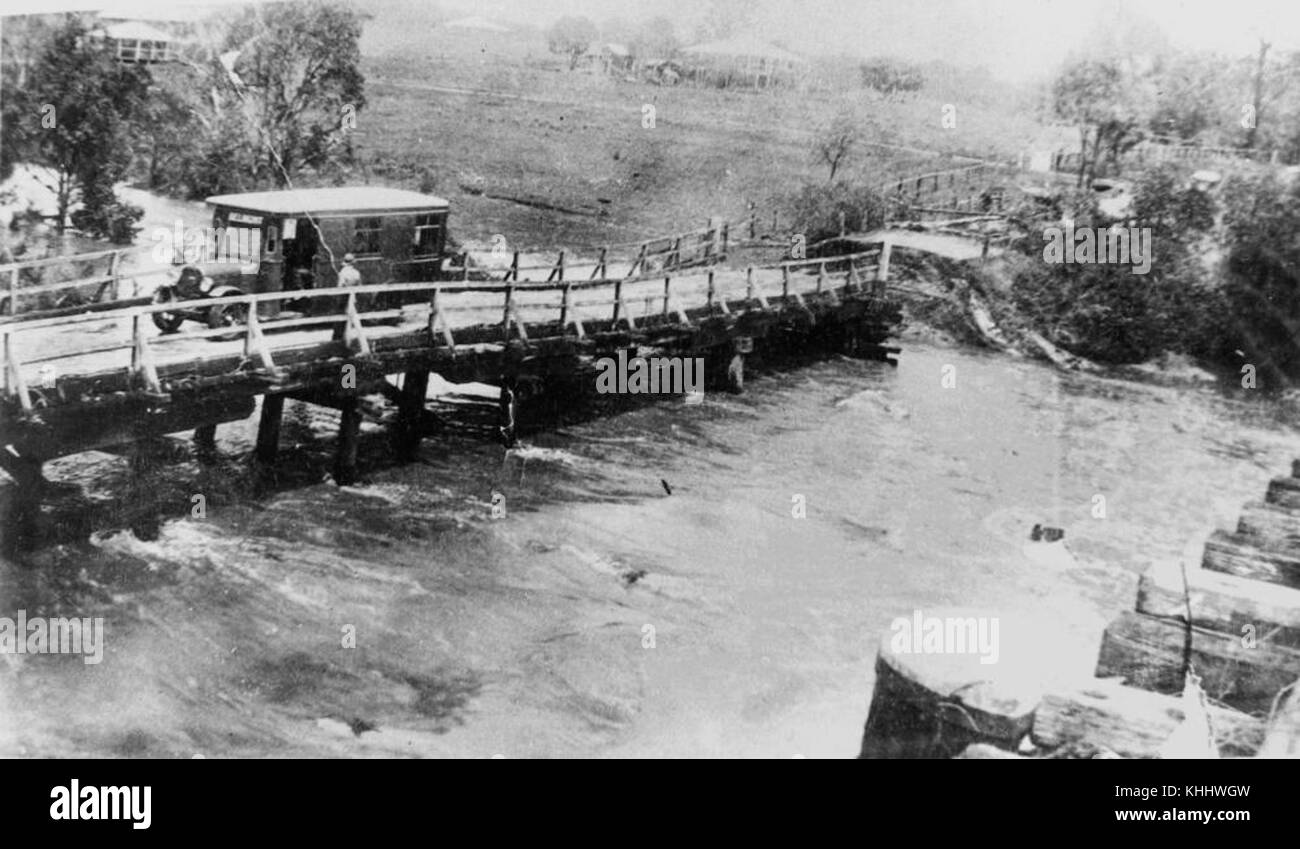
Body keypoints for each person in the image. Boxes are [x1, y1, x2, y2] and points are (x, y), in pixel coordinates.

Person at [331, 253, 362, 340]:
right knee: (352, 318)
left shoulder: (343, 273)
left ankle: (337, 338)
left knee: (340, 317)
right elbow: (360, 286)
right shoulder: (356, 273)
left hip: (343, 297)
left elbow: (340, 286)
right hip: (353, 297)